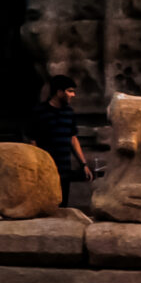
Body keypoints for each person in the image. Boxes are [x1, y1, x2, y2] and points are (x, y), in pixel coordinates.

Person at [31, 77, 92, 206]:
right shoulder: (40, 112)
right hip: (46, 169)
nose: (73, 95)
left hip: (65, 169)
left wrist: (83, 164)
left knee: (63, 205)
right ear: (59, 92)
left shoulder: (69, 113)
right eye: (70, 91)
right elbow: (32, 140)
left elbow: (73, 139)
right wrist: (38, 167)